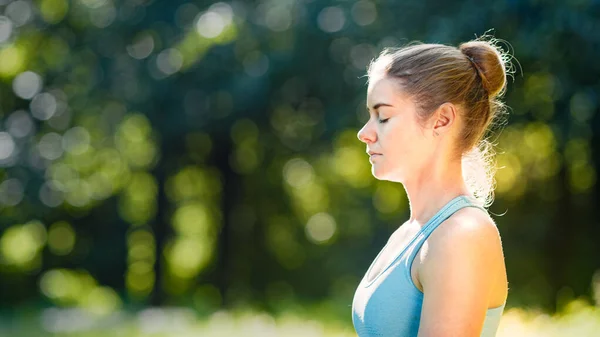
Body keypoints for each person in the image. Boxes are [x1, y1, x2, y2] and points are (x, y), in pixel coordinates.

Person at [352, 37, 511, 337]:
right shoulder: (411, 234)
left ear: (441, 120)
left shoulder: (462, 235)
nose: (365, 133)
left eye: (383, 116)